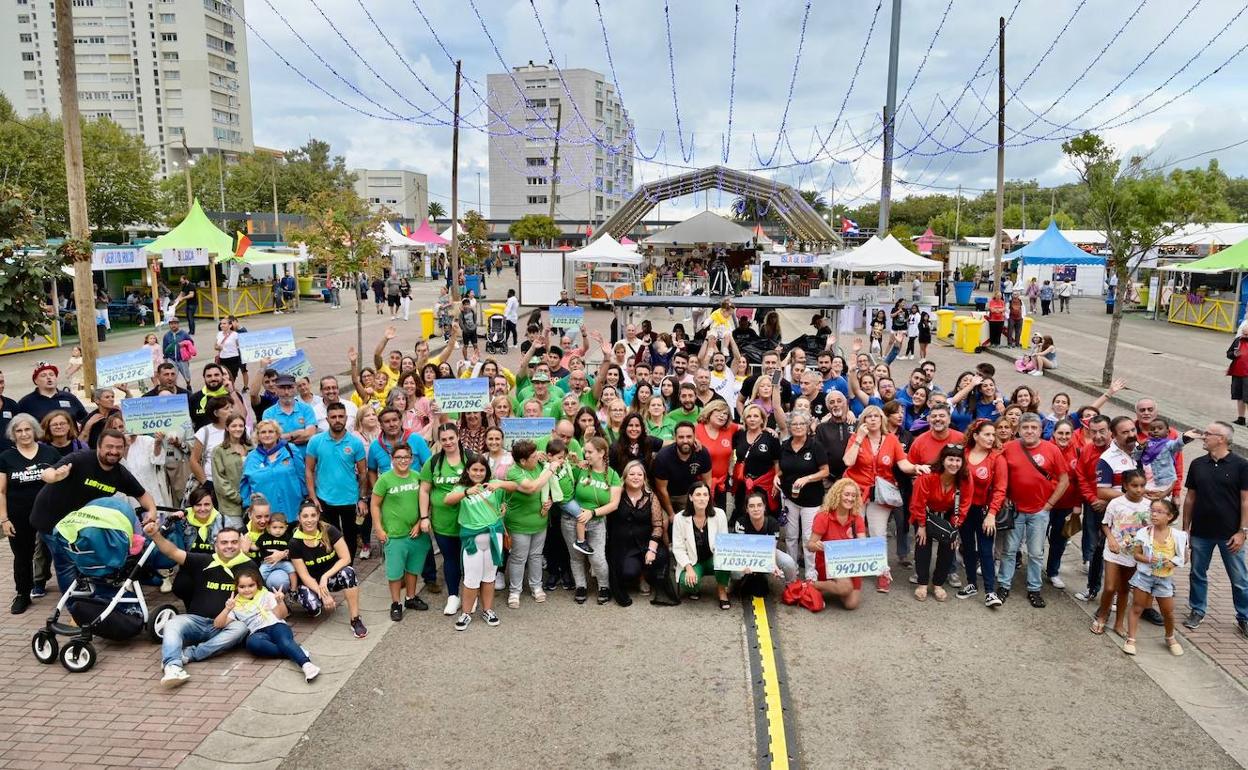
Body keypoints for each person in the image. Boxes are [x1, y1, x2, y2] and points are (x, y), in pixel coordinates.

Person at [31, 430, 156, 592]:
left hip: (80, 523)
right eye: (109, 446)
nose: (114, 451)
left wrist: (151, 512)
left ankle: (91, 599)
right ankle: (75, 607)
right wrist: (55, 476)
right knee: (67, 564)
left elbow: (143, 495)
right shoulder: (80, 459)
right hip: (51, 519)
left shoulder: (119, 473)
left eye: (119, 447)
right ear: (98, 446)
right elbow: (46, 473)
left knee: (86, 560)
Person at [143, 520, 253, 686]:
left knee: (241, 629)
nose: (229, 546)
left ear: (240, 544)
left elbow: (260, 597)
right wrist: (155, 535)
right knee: (172, 623)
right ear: (216, 544)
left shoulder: (248, 566)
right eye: (224, 542)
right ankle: (173, 666)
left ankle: (188, 655)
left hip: (224, 626)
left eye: (233, 542)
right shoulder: (203, 560)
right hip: (195, 621)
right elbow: (172, 551)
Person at [842, 405, 924, 593]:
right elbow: (848, 462)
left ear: (882, 420)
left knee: (878, 534)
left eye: (876, 416)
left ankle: (882, 573)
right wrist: (859, 439)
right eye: (868, 416)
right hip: (856, 492)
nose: (872, 419)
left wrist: (915, 468)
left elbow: (902, 463)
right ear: (863, 420)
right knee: (851, 531)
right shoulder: (856, 438)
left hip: (880, 492)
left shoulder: (892, 440)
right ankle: (852, 570)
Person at [1182, 421, 1248, 635]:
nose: (1203, 436)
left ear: (1222, 439)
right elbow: (1190, 499)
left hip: (1230, 534)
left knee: (1239, 579)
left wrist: (1242, 532)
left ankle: (1244, 616)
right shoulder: (1197, 464)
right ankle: (1197, 609)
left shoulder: (1241, 465)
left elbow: (1246, 501)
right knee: (1197, 573)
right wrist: (1185, 530)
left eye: (1208, 434)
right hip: (1201, 532)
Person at [996, 413, 1068, 608]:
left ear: (1040, 430)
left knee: (1036, 552)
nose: (1029, 431)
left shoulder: (1051, 450)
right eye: (1025, 427)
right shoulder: (1009, 448)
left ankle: (1034, 588)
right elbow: (999, 473)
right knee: (1009, 550)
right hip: (1015, 510)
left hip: (1039, 511)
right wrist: (1003, 498)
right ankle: (1003, 585)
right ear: (1018, 429)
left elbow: (1064, 479)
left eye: (1033, 428)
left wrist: (1050, 503)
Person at [214, 565, 320, 681]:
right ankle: (295, 650)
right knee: (252, 644)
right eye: (242, 587)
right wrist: (227, 609)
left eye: (251, 585)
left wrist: (280, 602)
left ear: (257, 585)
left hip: (275, 625)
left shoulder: (266, 594)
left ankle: (306, 665)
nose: (247, 589)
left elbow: (281, 615)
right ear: (236, 588)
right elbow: (218, 624)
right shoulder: (235, 603)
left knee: (284, 641)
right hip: (257, 632)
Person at [0, 414, 61, 613]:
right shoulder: (6, 457)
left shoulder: (49, 453)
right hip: (19, 515)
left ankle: (71, 591)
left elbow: (64, 479)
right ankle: (22, 594)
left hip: (49, 513)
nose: (24, 434)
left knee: (60, 552)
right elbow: (1, 491)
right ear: (13, 434)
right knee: (22, 556)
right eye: (19, 431)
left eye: (27, 429)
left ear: (35, 430)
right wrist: (4, 519)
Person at [443, 455, 507, 630]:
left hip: (494, 536)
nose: (478, 473)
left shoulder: (492, 485)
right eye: (474, 469)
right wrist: (465, 492)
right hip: (473, 538)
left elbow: (514, 488)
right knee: (471, 578)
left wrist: (500, 484)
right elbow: (447, 500)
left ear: (486, 471)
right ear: (468, 471)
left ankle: (488, 609)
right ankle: (466, 613)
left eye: (482, 470)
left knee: (489, 576)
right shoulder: (461, 487)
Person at [371, 443, 431, 620]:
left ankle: (410, 597)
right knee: (395, 572)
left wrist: (420, 522)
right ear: (392, 459)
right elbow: (374, 504)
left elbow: (426, 502)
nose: (403, 461)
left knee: (413, 568)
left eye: (406, 457)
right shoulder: (385, 479)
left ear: (412, 459)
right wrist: (379, 528)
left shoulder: (418, 477)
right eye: (398, 457)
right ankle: (396, 603)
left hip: (416, 533)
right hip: (395, 534)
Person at [288, 501, 366, 639]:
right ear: (299, 518)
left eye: (313, 515)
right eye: (305, 516)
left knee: (348, 572)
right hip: (309, 583)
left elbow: (346, 558)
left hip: (328, 578)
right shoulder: (294, 542)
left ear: (318, 516)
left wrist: (325, 577)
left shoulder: (329, 530)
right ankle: (306, 599)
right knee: (313, 607)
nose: (309, 520)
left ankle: (355, 619)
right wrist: (324, 595)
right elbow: (304, 576)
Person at [499, 440, 560, 608]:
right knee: (519, 557)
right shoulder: (514, 472)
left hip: (540, 521)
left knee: (536, 556)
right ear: (523, 461)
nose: (537, 457)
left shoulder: (539, 466)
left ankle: (536, 586)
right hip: (519, 524)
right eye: (533, 456)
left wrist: (549, 501)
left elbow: (546, 488)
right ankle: (515, 590)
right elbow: (532, 487)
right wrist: (551, 468)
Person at [1123, 498, 1188, 657]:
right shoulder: (1143, 532)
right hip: (1144, 576)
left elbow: (1184, 558)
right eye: (1152, 511)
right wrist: (1148, 559)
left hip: (1165, 578)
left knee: (1168, 612)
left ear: (1170, 516)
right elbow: (1137, 554)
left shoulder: (1179, 535)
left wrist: (1171, 562)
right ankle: (1131, 639)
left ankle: (1170, 637)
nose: (1154, 515)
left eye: (1159, 512)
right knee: (1137, 606)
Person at [1091, 470, 1151, 637]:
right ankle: (1102, 616)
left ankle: (1119, 623)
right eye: (1134, 485)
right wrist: (1110, 538)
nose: (1139, 490)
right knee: (1110, 587)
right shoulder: (1116, 503)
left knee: (1124, 588)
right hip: (1114, 550)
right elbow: (1105, 524)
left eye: (1142, 486)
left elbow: (1150, 528)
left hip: (1133, 553)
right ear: (1125, 485)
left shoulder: (1148, 505)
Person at [306, 402, 368, 562]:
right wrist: (313, 497)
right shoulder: (315, 441)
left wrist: (362, 499)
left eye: (341, 416)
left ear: (346, 418)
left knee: (351, 537)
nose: (337, 420)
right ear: (327, 419)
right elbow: (309, 470)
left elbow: (363, 472)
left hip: (350, 498)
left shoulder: (355, 443)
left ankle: (348, 566)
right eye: (333, 417)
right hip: (324, 499)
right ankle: (334, 568)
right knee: (329, 537)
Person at [910, 446, 971, 602]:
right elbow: (918, 502)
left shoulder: (964, 478)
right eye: (950, 459)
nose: (954, 464)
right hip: (925, 514)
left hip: (949, 516)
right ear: (943, 460)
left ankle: (938, 584)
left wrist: (955, 528)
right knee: (923, 546)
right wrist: (922, 526)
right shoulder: (928, 476)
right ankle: (922, 583)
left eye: (958, 460)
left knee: (949, 548)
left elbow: (964, 504)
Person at [420, 423, 468, 617]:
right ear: (439, 441)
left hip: (469, 521)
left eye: (451, 438)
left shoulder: (471, 458)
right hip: (442, 522)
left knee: (469, 559)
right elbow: (424, 490)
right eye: (444, 439)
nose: (448, 442)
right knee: (450, 559)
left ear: (458, 437)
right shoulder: (433, 462)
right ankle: (454, 596)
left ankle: (470, 595)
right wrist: (424, 516)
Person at [565, 437, 621, 604]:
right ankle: (580, 586)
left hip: (596, 521)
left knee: (597, 557)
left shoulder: (612, 475)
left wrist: (593, 512)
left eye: (590, 452)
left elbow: (614, 504)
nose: (586, 454)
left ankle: (604, 586)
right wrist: (573, 460)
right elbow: (563, 477)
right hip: (571, 519)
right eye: (585, 451)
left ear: (601, 453)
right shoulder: (580, 469)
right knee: (576, 556)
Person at [777, 412, 829, 580]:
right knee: (791, 536)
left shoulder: (815, 445)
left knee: (808, 537)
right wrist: (776, 477)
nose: (798, 427)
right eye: (794, 424)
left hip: (811, 500)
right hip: (789, 497)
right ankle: (792, 572)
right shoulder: (785, 445)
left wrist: (808, 478)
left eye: (801, 424)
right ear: (790, 427)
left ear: (807, 426)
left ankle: (810, 573)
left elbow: (825, 471)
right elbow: (781, 468)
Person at [806, 479, 867, 610]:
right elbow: (810, 545)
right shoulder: (824, 517)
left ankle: (837, 587)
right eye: (846, 494)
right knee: (845, 588)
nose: (850, 498)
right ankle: (815, 584)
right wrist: (817, 545)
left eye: (853, 495)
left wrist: (881, 566)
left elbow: (864, 547)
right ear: (837, 494)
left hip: (850, 565)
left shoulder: (857, 519)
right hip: (829, 564)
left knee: (851, 604)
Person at [671, 481, 732, 609]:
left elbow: (724, 545)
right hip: (693, 562)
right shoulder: (679, 518)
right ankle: (695, 588)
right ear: (690, 497)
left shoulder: (719, 514)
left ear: (709, 497)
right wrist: (688, 568)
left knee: (723, 560)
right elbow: (678, 548)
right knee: (688, 584)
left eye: (705, 494)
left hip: (712, 559)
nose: (702, 498)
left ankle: (722, 591)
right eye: (698, 494)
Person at [240, 420, 307, 524]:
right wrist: (248, 505)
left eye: (271, 431)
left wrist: (306, 497)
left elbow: (302, 475)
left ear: (277, 434)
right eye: (263, 432)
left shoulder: (291, 450)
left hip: (292, 509)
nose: (267, 435)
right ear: (257, 436)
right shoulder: (251, 457)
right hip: (265, 516)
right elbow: (244, 485)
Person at [653, 422, 713, 522]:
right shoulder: (663, 456)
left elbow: (707, 480)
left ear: (694, 437)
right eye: (681, 437)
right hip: (667, 496)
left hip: (689, 495)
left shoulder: (702, 453)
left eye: (689, 436)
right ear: (675, 438)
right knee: (665, 522)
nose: (685, 440)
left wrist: (704, 502)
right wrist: (671, 514)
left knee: (697, 519)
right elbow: (661, 490)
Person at [211, 413, 250, 527]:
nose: (238, 429)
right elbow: (220, 481)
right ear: (227, 428)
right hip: (231, 508)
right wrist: (239, 498)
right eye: (234, 426)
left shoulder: (251, 448)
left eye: (241, 426)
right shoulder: (219, 451)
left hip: (253, 506)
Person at [17, 362, 87, 425]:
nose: (49, 377)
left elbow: (84, 419)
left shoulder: (69, 397)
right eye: (43, 375)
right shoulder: (26, 402)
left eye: (51, 374)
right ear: (36, 381)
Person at [253, 511, 295, 592]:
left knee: (292, 570)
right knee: (260, 573)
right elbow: (256, 547)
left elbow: (291, 550)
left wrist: (285, 554)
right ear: (268, 527)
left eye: (281, 527)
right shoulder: (264, 537)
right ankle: (261, 591)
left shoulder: (287, 538)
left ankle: (293, 590)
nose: (278, 530)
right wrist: (247, 544)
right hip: (267, 563)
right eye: (274, 527)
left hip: (283, 562)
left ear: (286, 527)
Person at [161, 318, 195, 387]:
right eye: (171, 324)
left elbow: (191, 343)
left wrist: (184, 344)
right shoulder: (167, 335)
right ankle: (174, 388)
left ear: (178, 324)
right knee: (172, 376)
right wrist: (165, 358)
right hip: (171, 359)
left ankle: (188, 385)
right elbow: (164, 347)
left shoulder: (184, 334)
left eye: (175, 323)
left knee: (186, 375)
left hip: (182, 359)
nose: (173, 325)